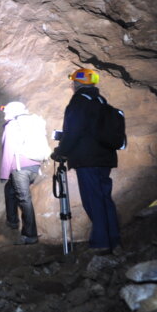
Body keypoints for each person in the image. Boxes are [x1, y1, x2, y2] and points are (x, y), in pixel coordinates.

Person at [51, 68, 120, 253]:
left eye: (73, 82)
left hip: (87, 160)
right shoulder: (100, 100)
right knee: (105, 198)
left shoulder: (78, 102)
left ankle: (100, 242)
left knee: (93, 200)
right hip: (105, 158)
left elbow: (73, 131)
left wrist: (61, 151)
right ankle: (113, 239)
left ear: (76, 83)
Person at [0, 101, 41, 245]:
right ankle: (12, 222)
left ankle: (30, 235)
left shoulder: (12, 125)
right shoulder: (33, 122)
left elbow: (8, 151)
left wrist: (4, 173)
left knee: (24, 200)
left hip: (20, 168)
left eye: (6, 112)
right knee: (10, 189)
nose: (5, 115)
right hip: (34, 167)